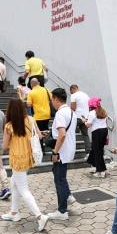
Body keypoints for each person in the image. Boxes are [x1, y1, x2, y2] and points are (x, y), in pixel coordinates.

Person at [1, 98, 49, 231]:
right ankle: (14, 213)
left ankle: (40, 216)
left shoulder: (9, 126)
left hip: (17, 159)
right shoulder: (31, 119)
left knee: (23, 189)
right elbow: (39, 136)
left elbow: (5, 145)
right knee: (14, 184)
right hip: (28, 157)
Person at [47, 88, 77, 221]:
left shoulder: (60, 114)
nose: (51, 102)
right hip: (68, 149)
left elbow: (62, 134)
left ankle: (62, 211)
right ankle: (69, 196)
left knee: (59, 179)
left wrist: (55, 151)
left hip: (61, 151)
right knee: (60, 175)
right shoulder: (71, 111)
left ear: (56, 99)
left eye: (52, 99)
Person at [85, 97, 108, 178]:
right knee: (99, 151)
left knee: (97, 152)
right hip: (104, 131)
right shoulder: (103, 111)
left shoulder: (92, 113)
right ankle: (101, 169)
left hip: (96, 132)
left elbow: (88, 125)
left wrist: (84, 121)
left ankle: (100, 171)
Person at [69, 85, 90, 154]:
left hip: (77, 117)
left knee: (70, 132)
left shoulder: (74, 95)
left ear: (72, 89)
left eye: (70, 91)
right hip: (85, 117)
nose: (71, 93)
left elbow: (73, 108)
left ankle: (70, 149)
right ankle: (88, 150)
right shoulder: (86, 95)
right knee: (85, 134)